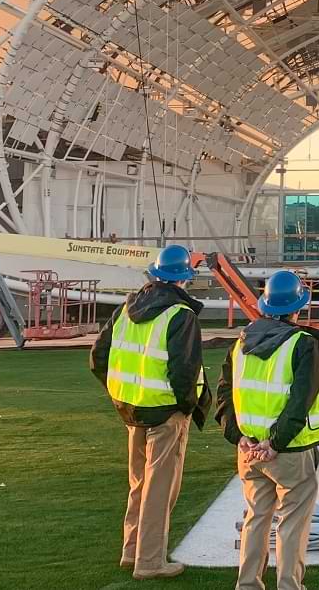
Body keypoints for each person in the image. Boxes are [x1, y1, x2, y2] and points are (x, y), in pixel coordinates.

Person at [216, 270, 319, 590]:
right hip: (288, 451)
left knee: (256, 518)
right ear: (296, 308)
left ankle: (247, 584)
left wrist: (240, 437)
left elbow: (224, 394)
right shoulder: (303, 344)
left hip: (249, 450)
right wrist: (276, 443)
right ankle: (289, 585)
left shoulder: (241, 342)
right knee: (292, 523)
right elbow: (300, 401)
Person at [90, 243, 212, 580]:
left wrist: (120, 394)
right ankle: (150, 562)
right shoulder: (180, 315)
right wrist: (185, 409)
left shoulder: (128, 308)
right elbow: (184, 371)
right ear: (184, 279)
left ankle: (131, 551)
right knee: (160, 489)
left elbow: (98, 357)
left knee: (139, 484)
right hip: (165, 413)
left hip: (132, 410)